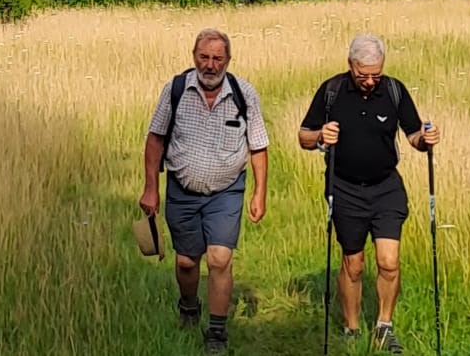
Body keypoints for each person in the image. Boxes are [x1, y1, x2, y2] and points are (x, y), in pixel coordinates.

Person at [298, 34, 442, 354]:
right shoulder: (332, 91)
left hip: (386, 187)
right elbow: (304, 136)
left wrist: (427, 138)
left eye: (376, 73)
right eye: (363, 74)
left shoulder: (393, 90)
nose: (370, 81)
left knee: (389, 262)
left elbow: (414, 135)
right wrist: (321, 135)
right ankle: (351, 328)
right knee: (354, 264)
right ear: (351, 65)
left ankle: (383, 327)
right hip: (344, 187)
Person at [140, 28, 270, 354]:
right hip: (182, 190)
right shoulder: (177, 89)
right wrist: (151, 189)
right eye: (204, 57)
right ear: (194, 56)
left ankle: (216, 332)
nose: (210, 65)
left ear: (228, 60)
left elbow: (258, 148)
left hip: (226, 192)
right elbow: (155, 138)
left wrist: (259, 194)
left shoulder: (245, 94)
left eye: (217, 58)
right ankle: (188, 305)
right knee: (186, 262)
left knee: (220, 258)